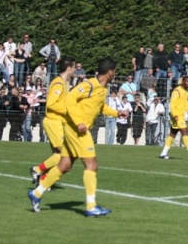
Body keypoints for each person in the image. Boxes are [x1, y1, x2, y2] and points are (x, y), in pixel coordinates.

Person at [27, 57, 119, 217]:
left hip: (75, 129)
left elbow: (100, 106)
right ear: (110, 72)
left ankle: (37, 193)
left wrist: (118, 113)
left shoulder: (102, 89)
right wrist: (78, 122)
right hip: (78, 130)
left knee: (64, 165)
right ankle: (91, 206)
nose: (115, 74)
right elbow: (69, 99)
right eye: (115, 72)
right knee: (92, 165)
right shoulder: (89, 85)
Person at [30, 57, 75, 186]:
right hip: (54, 122)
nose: (74, 71)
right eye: (73, 68)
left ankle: (43, 180)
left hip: (57, 122)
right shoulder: (59, 83)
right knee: (64, 154)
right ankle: (37, 170)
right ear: (69, 68)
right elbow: (51, 104)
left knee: (58, 155)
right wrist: (67, 110)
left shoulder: (62, 83)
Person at [158, 76, 188, 160]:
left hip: (180, 115)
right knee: (185, 132)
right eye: (187, 81)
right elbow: (172, 104)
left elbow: (186, 104)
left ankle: (163, 153)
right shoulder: (176, 91)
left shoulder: (185, 92)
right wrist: (174, 115)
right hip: (177, 116)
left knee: (172, 134)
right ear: (182, 82)